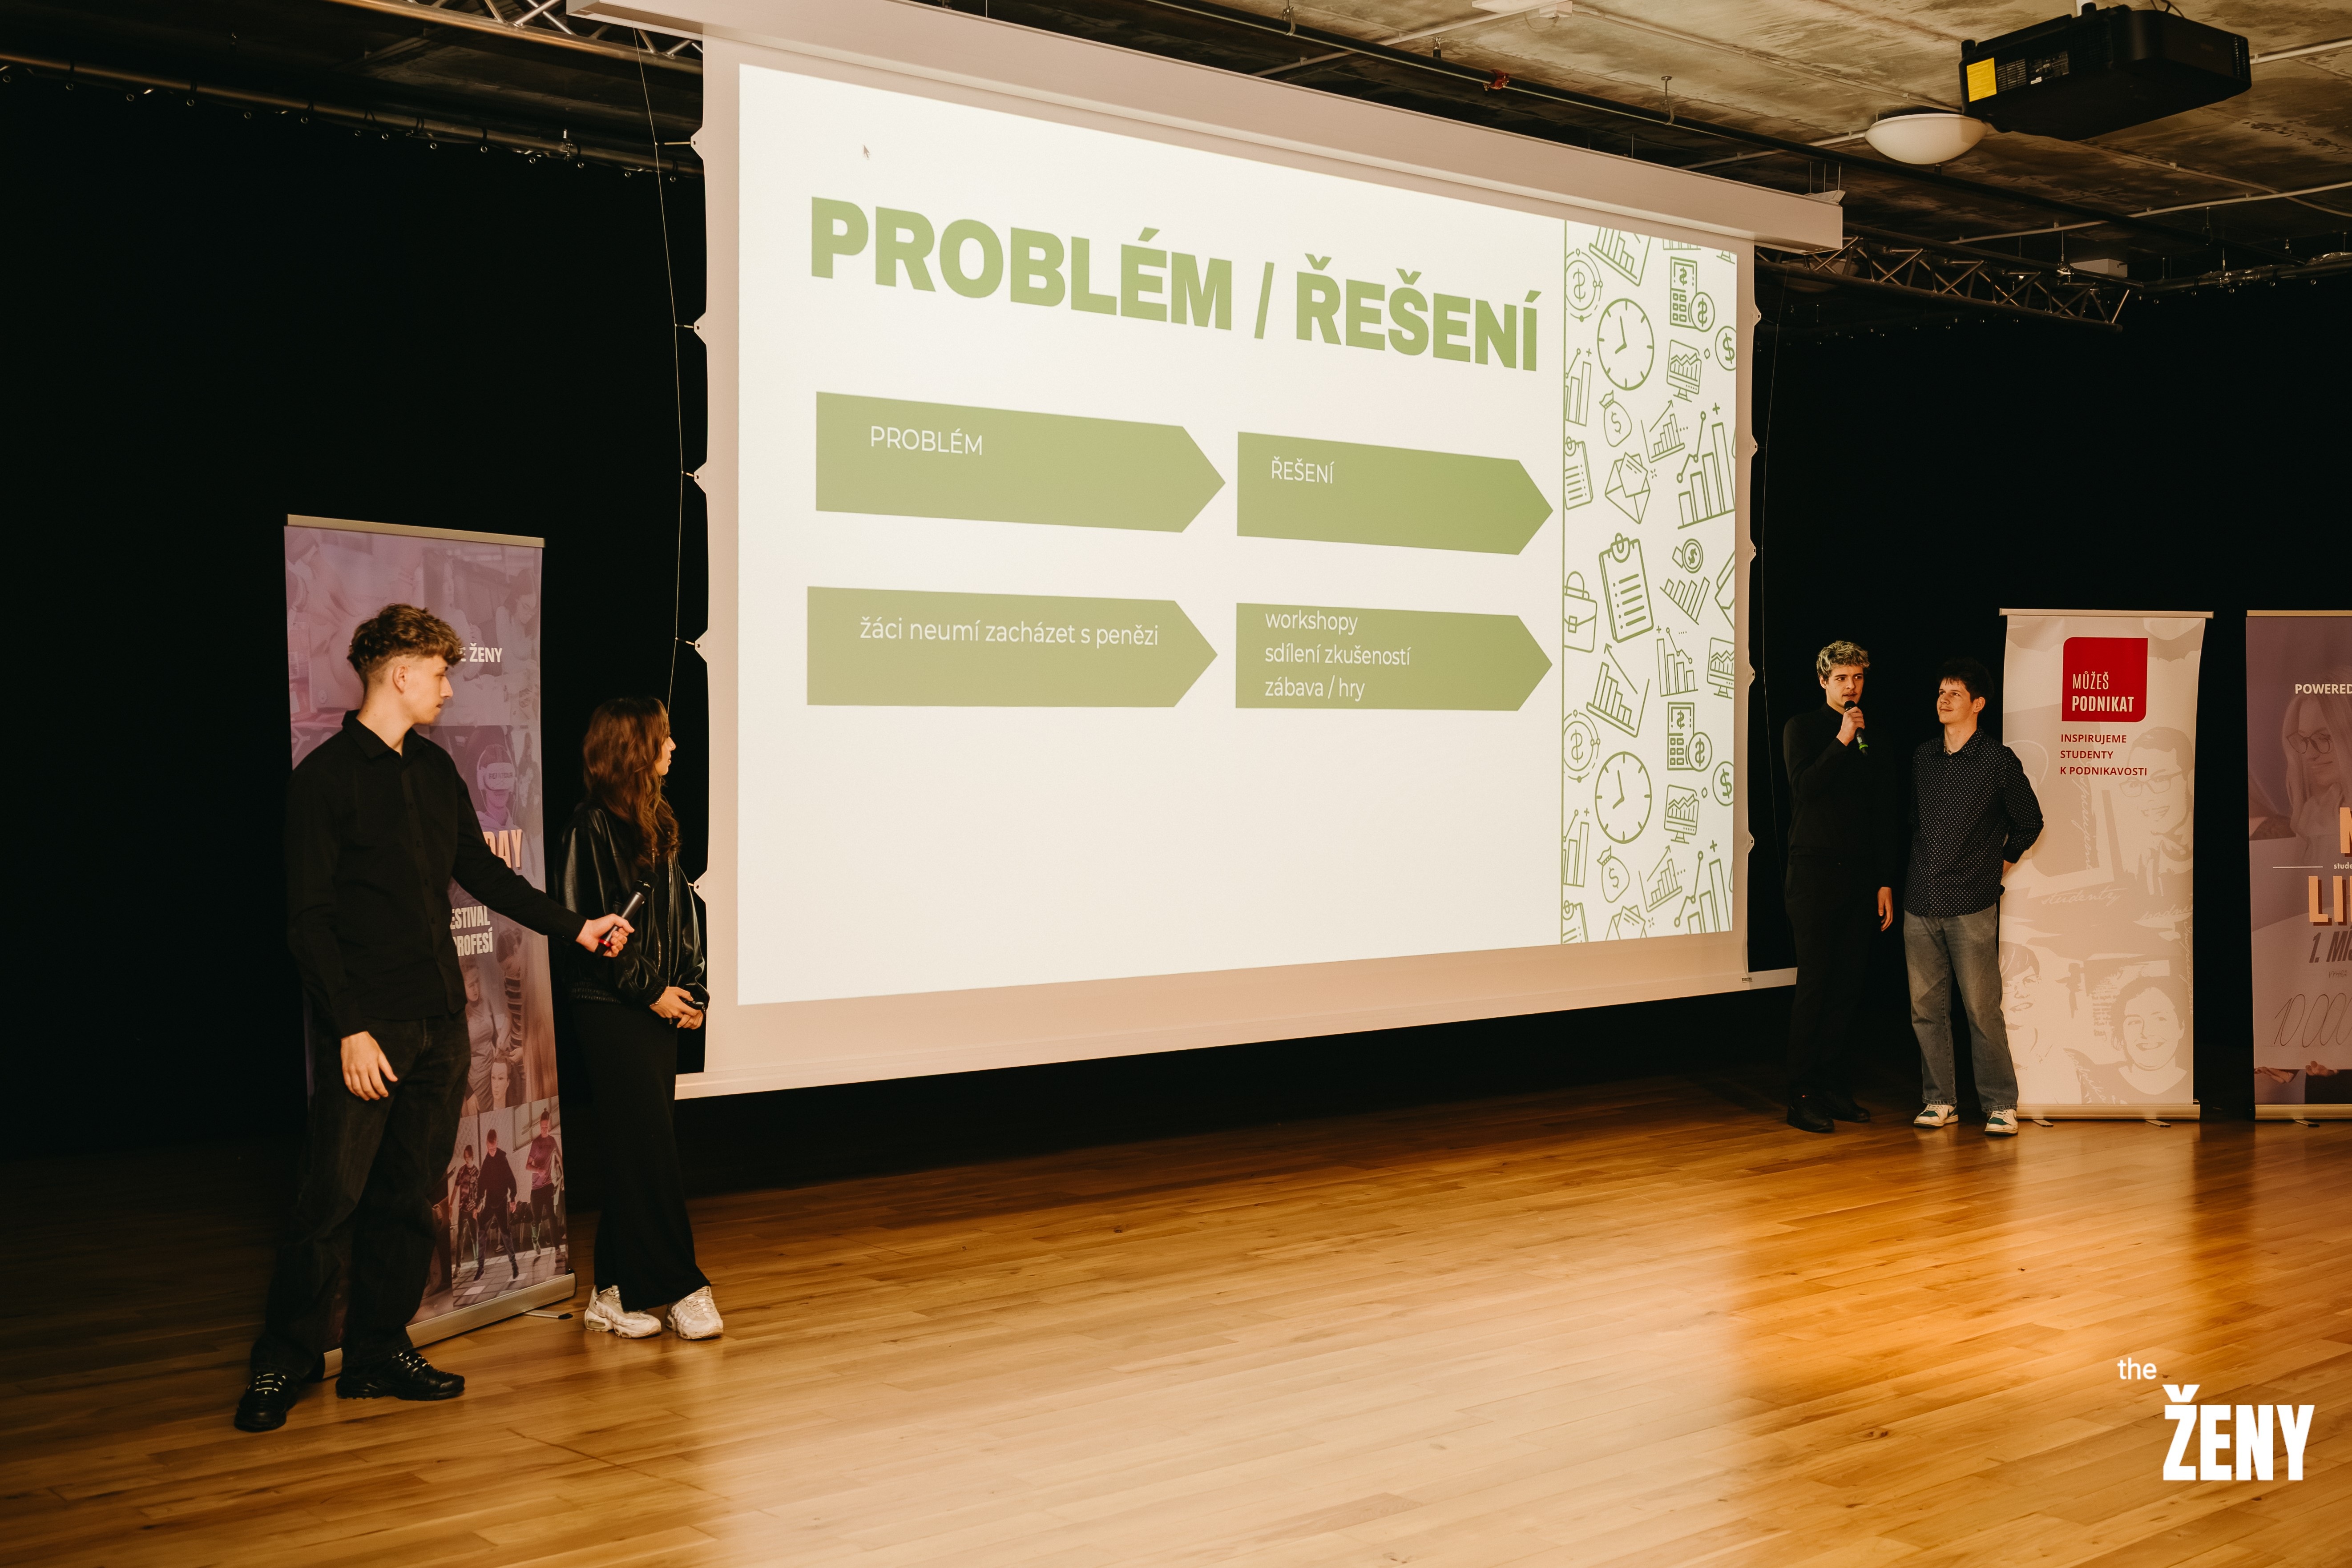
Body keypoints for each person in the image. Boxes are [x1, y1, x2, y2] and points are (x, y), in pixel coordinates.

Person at [236, 604, 632, 1435]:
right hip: (368, 1030)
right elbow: (308, 922)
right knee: (329, 1200)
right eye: (441, 673)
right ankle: (284, 1358)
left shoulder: (434, 771)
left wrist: (577, 927)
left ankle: (376, 1352)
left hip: (440, 1024)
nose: (449, 690)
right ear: (401, 673)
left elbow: (482, 874)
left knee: (410, 1198)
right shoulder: (324, 781)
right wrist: (349, 1029)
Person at [557, 696, 721, 1342]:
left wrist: (690, 988)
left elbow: (682, 917)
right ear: (635, 747)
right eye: (664, 737)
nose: (674, 746)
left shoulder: (656, 819)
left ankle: (611, 1291)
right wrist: (651, 991)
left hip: (657, 1004)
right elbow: (593, 935)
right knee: (650, 1151)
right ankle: (682, 1287)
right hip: (612, 1009)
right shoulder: (590, 828)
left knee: (638, 1150)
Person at [1903, 658, 2044, 1137]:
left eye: (1955, 694)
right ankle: (1939, 1099)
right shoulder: (1923, 756)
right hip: (1920, 898)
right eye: (1941, 692)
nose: (1943, 700)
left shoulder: (1997, 760)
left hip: (1971, 902)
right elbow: (1915, 821)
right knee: (1925, 1010)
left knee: (1981, 1009)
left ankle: (2000, 1104)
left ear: (1978, 704)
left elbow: (2029, 821)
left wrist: (1997, 866)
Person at [1779, 641, 1897, 1133]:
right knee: (1815, 984)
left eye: (1858, 678)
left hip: (1858, 876)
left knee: (1847, 987)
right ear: (1823, 682)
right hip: (1813, 873)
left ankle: (1831, 1085)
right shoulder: (1802, 728)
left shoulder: (1872, 737)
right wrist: (1842, 739)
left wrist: (1884, 880)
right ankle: (1801, 1094)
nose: (1852, 687)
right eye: (1842, 678)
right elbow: (1804, 789)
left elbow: (1881, 813)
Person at [2076, 973, 2191, 1104]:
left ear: (2181, 1027)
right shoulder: (2094, 1078)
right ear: (2122, 1032)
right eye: (2135, 1022)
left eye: (2160, 1019)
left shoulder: (2193, 1085)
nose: (2146, 1033)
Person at [476, 1125, 521, 1280]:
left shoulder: (502, 1159)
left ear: (497, 1143)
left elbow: (511, 1179)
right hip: (490, 1203)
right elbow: (481, 1184)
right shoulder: (486, 1163)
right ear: (487, 1146)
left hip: (502, 1202)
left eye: (494, 1148)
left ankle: (514, 1265)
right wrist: (478, 1202)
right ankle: (481, 1267)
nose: (492, 1152)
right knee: (482, 1231)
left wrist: (513, 1199)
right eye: (490, 1149)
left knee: (506, 1234)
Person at [524, 1109, 563, 1257]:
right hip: (536, 1189)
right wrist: (538, 1170)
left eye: (546, 1127)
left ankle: (557, 1248)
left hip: (548, 1185)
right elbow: (527, 1166)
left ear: (549, 1126)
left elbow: (559, 1157)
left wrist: (563, 1177)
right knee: (537, 1220)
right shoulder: (536, 1143)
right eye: (542, 1127)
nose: (544, 1130)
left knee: (552, 1216)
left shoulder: (552, 1142)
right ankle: (535, 1240)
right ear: (540, 1126)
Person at [452, 1143, 480, 1278]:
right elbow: (456, 1188)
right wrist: (450, 1205)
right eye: (465, 1157)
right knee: (460, 1237)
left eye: (468, 1157)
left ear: (472, 1157)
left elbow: (480, 1193)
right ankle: (458, 1267)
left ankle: (478, 1260)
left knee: (475, 1236)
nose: (466, 1159)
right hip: (462, 1209)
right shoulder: (462, 1171)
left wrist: (477, 1208)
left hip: (473, 1209)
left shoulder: (477, 1172)